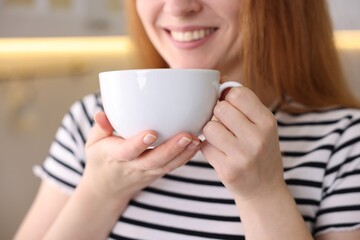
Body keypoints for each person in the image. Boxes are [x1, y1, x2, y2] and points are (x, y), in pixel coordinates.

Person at [15, 0, 360, 239]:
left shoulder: (346, 142)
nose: (179, 7)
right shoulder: (90, 125)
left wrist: (263, 194)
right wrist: (101, 191)